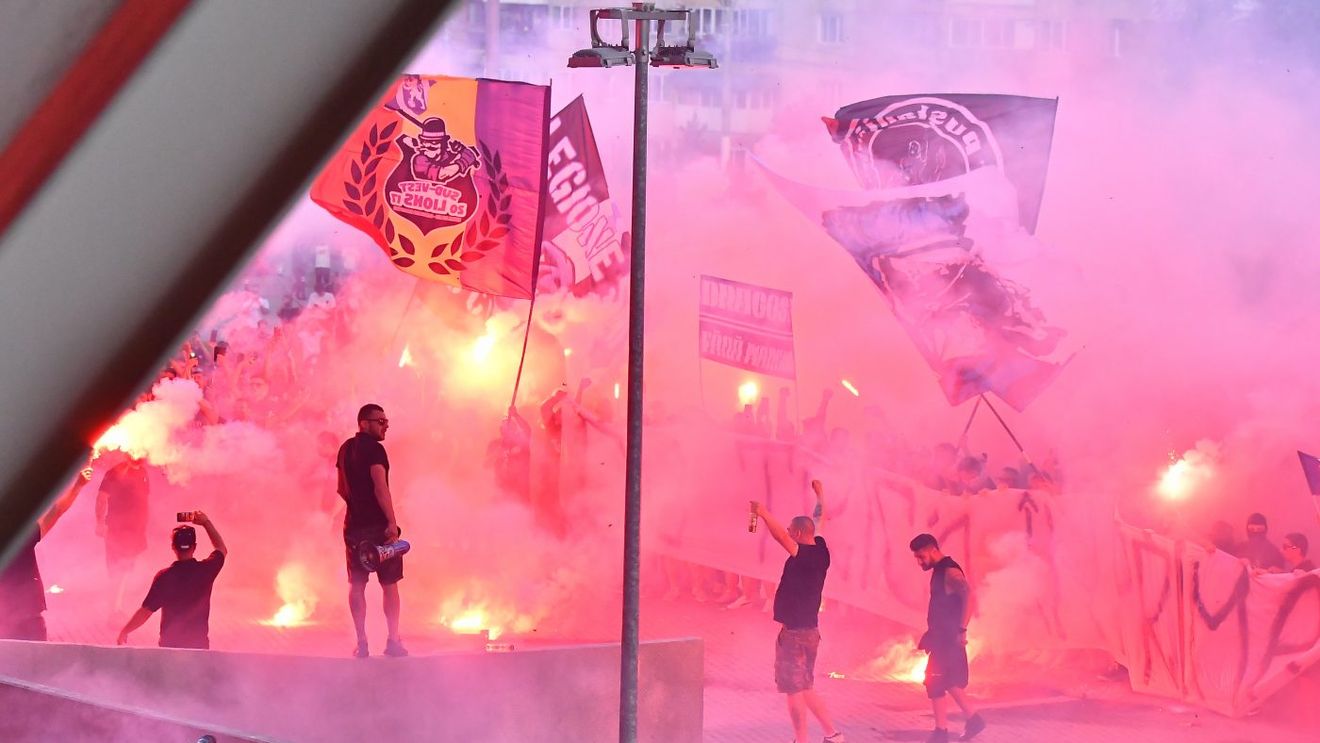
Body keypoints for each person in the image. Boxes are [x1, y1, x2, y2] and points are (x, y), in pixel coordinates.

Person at [751, 479, 845, 743]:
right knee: (804, 687)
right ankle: (834, 735)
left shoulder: (802, 554)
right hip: (810, 632)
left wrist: (763, 513)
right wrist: (821, 495)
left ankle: (801, 739)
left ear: (799, 535)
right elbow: (818, 519)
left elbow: (780, 536)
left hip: (794, 634)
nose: (789, 533)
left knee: (793, 690)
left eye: (793, 530)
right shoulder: (821, 549)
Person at [337, 404, 407, 658]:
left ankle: (362, 642)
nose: (385, 424)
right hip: (378, 528)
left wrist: (353, 508)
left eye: (386, 420)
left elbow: (341, 489)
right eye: (380, 421)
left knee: (356, 584)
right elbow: (380, 487)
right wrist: (391, 521)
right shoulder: (376, 450)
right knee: (389, 584)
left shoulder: (344, 449)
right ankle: (393, 641)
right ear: (363, 423)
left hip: (353, 527)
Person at [910, 533, 986, 743]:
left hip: (950, 638)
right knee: (937, 681)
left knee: (942, 680)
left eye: (920, 556)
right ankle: (948, 728)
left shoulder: (949, 570)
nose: (919, 561)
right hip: (941, 637)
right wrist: (931, 633)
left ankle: (952, 728)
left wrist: (961, 630)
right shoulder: (938, 571)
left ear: (932, 549)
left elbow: (969, 596)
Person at [0, 468, 92, 640]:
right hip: (25, 617)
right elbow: (56, 512)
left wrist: (78, 485)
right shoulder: (20, 535)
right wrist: (78, 486)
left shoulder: (21, 535)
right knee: (36, 661)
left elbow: (56, 511)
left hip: (19, 617)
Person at [117, 511, 227, 649]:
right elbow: (221, 548)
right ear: (194, 546)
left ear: (173, 547)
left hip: (170, 647)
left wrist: (125, 631)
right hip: (198, 647)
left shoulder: (164, 577)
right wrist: (206, 523)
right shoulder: (206, 570)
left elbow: (145, 612)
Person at [96, 456, 151, 612]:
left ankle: (117, 607)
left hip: (136, 531)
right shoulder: (114, 473)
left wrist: (143, 527)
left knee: (125, 569)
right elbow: (101, 499)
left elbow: (144, 500)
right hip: (117, 529)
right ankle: (112, 611)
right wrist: (100, 522)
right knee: (117, 571)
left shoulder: (142, 471)